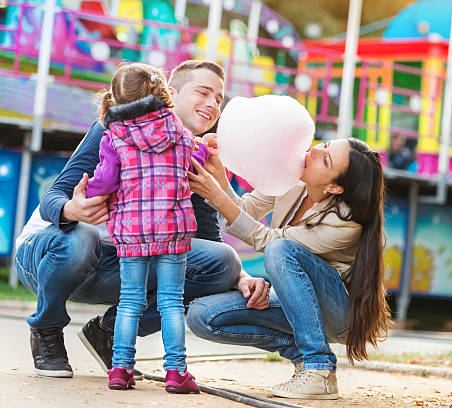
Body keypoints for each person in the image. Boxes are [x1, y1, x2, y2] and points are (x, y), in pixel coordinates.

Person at [13, 60, 269, 379]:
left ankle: (108, 331)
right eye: (204, 92)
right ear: (171, 94)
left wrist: (240, 276)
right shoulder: (115, 127)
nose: (213, 104)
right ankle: (46, 329)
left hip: (120, 264)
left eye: (219, 99)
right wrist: (72, 211)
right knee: (82, 236)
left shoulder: (192, 158)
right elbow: (53, 195)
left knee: (223, 263)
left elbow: (208, 244)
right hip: (51, 257)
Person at [185, 137, 391, 400]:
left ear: (334, 187)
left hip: (339, 313)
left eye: (325, 159)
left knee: (280, 249)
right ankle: (301, 357)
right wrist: (220, 179)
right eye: (325, 144)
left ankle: (319, 368)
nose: (315, 150)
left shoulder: (345, 221)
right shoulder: (291, 181)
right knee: (201, 316)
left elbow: (270, 242)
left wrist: (214, 194)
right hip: (297, 304)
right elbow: (245, 210)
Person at [84, 63, 206, 392]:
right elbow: (194, 163)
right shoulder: (180, 131)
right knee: (170, 301)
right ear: (161, 92)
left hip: (131, 228)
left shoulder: (114, 136)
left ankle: (121, 369)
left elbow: (105, 181)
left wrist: (90, 190)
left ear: (115, 98)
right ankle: (176, 373)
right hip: (173, 226)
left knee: (130, 301)